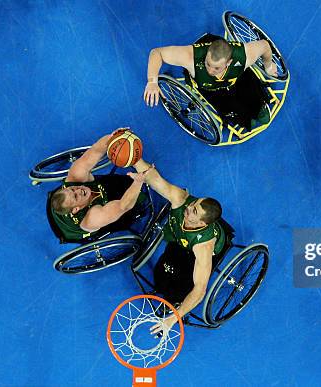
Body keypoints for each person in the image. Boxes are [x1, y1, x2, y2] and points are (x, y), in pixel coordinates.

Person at [130, 157, 226, 335]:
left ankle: (176, 301)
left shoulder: (203, 247)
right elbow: (155, 179)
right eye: (194, 203)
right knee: (163, 271)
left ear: (201, 224)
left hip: (192, 251)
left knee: (180, 288)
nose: (189, 207)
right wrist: (133, 157)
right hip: (177, 239)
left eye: (194, 211)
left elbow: (200, 289)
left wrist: (174, 317)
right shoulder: (181, 200)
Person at [143, 35, 278, 129]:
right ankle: (243, 115)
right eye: (208, 64)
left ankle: (258, 107)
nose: (210, 70)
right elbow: (157, 53)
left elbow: (265, 45)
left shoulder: (244, 55)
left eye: (216, 68)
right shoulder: (192, 57)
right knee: (227, 105)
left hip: (233, 78)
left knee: (249, 84)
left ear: (228, 62)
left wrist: (269, 65)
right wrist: (152, 81)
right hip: (207, 87)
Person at [49, 131, 152, 241]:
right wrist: (138, 182)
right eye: (75, 196)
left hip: (90, 196)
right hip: (79, 228)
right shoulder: (92, 219)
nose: (78, 190)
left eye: (72, 189)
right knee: (128, 213)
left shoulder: (75, 177)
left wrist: (113, 138)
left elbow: (95, 151)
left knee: (115, 181)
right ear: (76, 209)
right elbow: (123, 206)